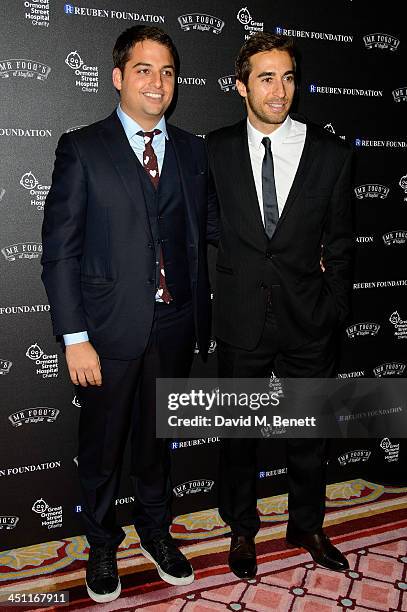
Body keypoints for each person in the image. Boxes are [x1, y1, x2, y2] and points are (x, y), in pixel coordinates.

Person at [42, 25, 217, 603]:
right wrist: (74, 337)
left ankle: (155, 530)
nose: (157, 82)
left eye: (167, 72)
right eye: (144, 69)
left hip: (175, 326)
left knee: (157, 442)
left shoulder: (193, 151)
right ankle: (99, 542)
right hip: (106, 331)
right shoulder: (83, 147)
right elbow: (61, 251)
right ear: (117, 77)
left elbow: (211, 232)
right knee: (102, 445)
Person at [207, 33, 353, 578]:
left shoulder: (332, 154)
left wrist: (332, 306)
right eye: (266, 78)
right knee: (239, 434)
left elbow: (340, 244)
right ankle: (242, 529)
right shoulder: (215, 150)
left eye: (288, 77)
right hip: (242, 315)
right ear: (241, 85)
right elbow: (208, 224)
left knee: (308, 431)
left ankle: (307, 524)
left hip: (309, 319)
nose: (280, 90)